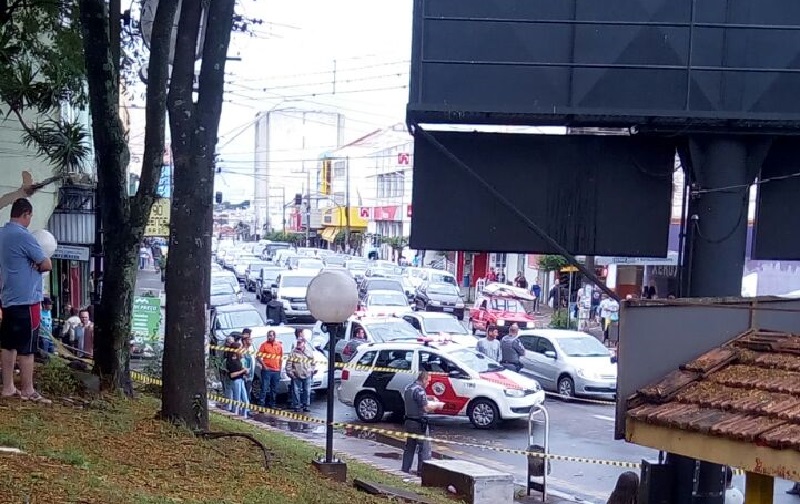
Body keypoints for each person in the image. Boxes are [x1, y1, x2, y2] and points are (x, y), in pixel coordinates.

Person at [0, 198, 52, 403]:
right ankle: (28, 390)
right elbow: (46, 263)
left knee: (8, 345)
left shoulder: (2, 234)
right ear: (26, 214)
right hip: (27, 299)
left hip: (7, 297)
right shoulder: (24, 236)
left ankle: (7, 387)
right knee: (27, 347)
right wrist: (36, 264)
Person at [401, 371, 443, 475]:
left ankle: (405, 469)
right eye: (428, 381)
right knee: (424, 448)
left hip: (409, 421)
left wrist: (430, 397)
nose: (428, 383)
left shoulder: (409, 387)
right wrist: (437, 405)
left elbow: (416, 398)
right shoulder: (419, 390)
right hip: (419, 423)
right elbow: (426, 408)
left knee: (409, 447)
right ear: (423, 379)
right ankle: (422, 472)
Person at [285, 337, 315, 412]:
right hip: (296, 375)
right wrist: (291, 373)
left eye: (300, 342)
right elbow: (288, 364)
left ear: (304, 343)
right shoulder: (293, 353)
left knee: (307, 391)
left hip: (307, 375)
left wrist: (312, 370)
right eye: (298, 342)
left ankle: (306, 406)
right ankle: (296, 406)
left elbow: (313, 363)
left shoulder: (309, 352)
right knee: (295, 391)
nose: (298, 344)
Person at [257, 330, 283, 408]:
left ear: (274, 336)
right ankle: (261, 404)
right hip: (267, 370)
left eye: (271, 336)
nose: (269, 337)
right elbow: (258, 356)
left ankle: (272, 404)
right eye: (268, 336)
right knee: (264, 387)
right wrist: (264, 366)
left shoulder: (278, 345)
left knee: (274, 389)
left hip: (276, 370)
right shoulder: (264, 345)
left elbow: (281, 358)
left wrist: (280, 369)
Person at [225, 340, 249, 417]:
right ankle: (234, 414)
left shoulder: (238, 359)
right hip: (236, 381)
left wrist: (245, 371)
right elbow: (232, 375)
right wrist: (242, 371)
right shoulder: (230, 361)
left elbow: (241, 368)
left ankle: (244, 415)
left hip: (241, 380)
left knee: (245, 400)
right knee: (237, 400)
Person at [240, 329, 256, 401]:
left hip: (251, 374)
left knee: (248, 391)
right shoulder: (242, 350)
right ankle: (245, 409)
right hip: (245, 375)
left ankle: (247, 408)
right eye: (249, 339)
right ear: (244, 341)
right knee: (245, 392)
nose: (251, 341)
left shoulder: (252, 347)